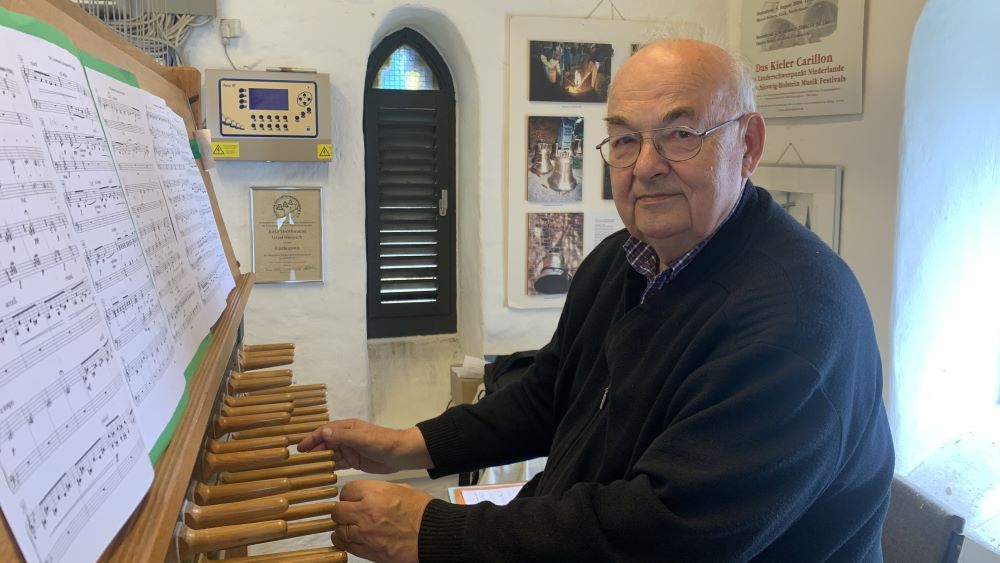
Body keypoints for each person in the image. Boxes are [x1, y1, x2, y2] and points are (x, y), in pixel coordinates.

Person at [299, 38, 895, 562]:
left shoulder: (794, 324)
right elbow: (552, 394)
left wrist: (435, 533)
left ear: (749, 144)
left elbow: (665, 534)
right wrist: (413, 444)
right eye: (625, 139)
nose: (647, 166)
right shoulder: (622, 257)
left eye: (681, 135)